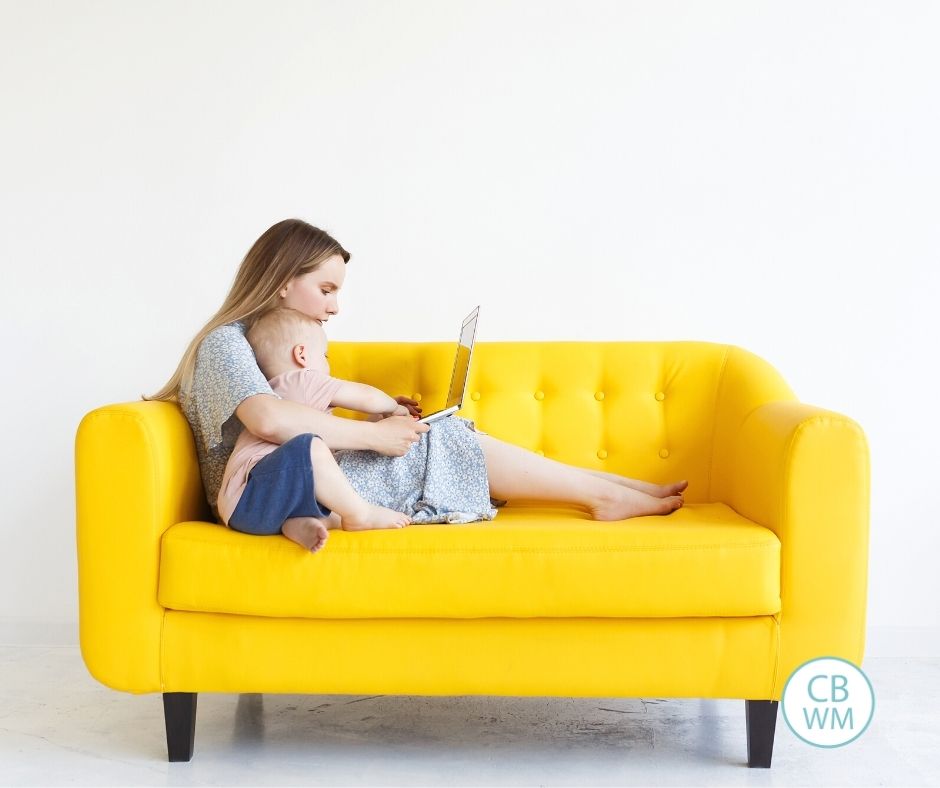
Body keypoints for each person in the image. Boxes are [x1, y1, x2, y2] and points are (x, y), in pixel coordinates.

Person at [144, 219, 687, 552]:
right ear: (284, 283)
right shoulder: (227, 342)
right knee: (441, 440)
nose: (335, 304)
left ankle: (613, 486)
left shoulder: (280, 337)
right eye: (326, 287)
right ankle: (604, 494)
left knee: (440, 434)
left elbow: (307, 403)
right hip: (261, 493)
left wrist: (380, 417)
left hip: (297, 488)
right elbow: (269, 419)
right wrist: (377, 437)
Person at [217, 306, 417, 552]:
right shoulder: (301, 379)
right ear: (301, 355)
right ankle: (360, 514)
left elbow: (341, 435)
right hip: (251, 492)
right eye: (325, 356)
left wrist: (377, 419)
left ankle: (297, 523)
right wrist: (392, 406)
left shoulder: (279, 393)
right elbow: (365, 395)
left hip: (247, 512)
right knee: (312, 447)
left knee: (319, 480)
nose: (327, 364)